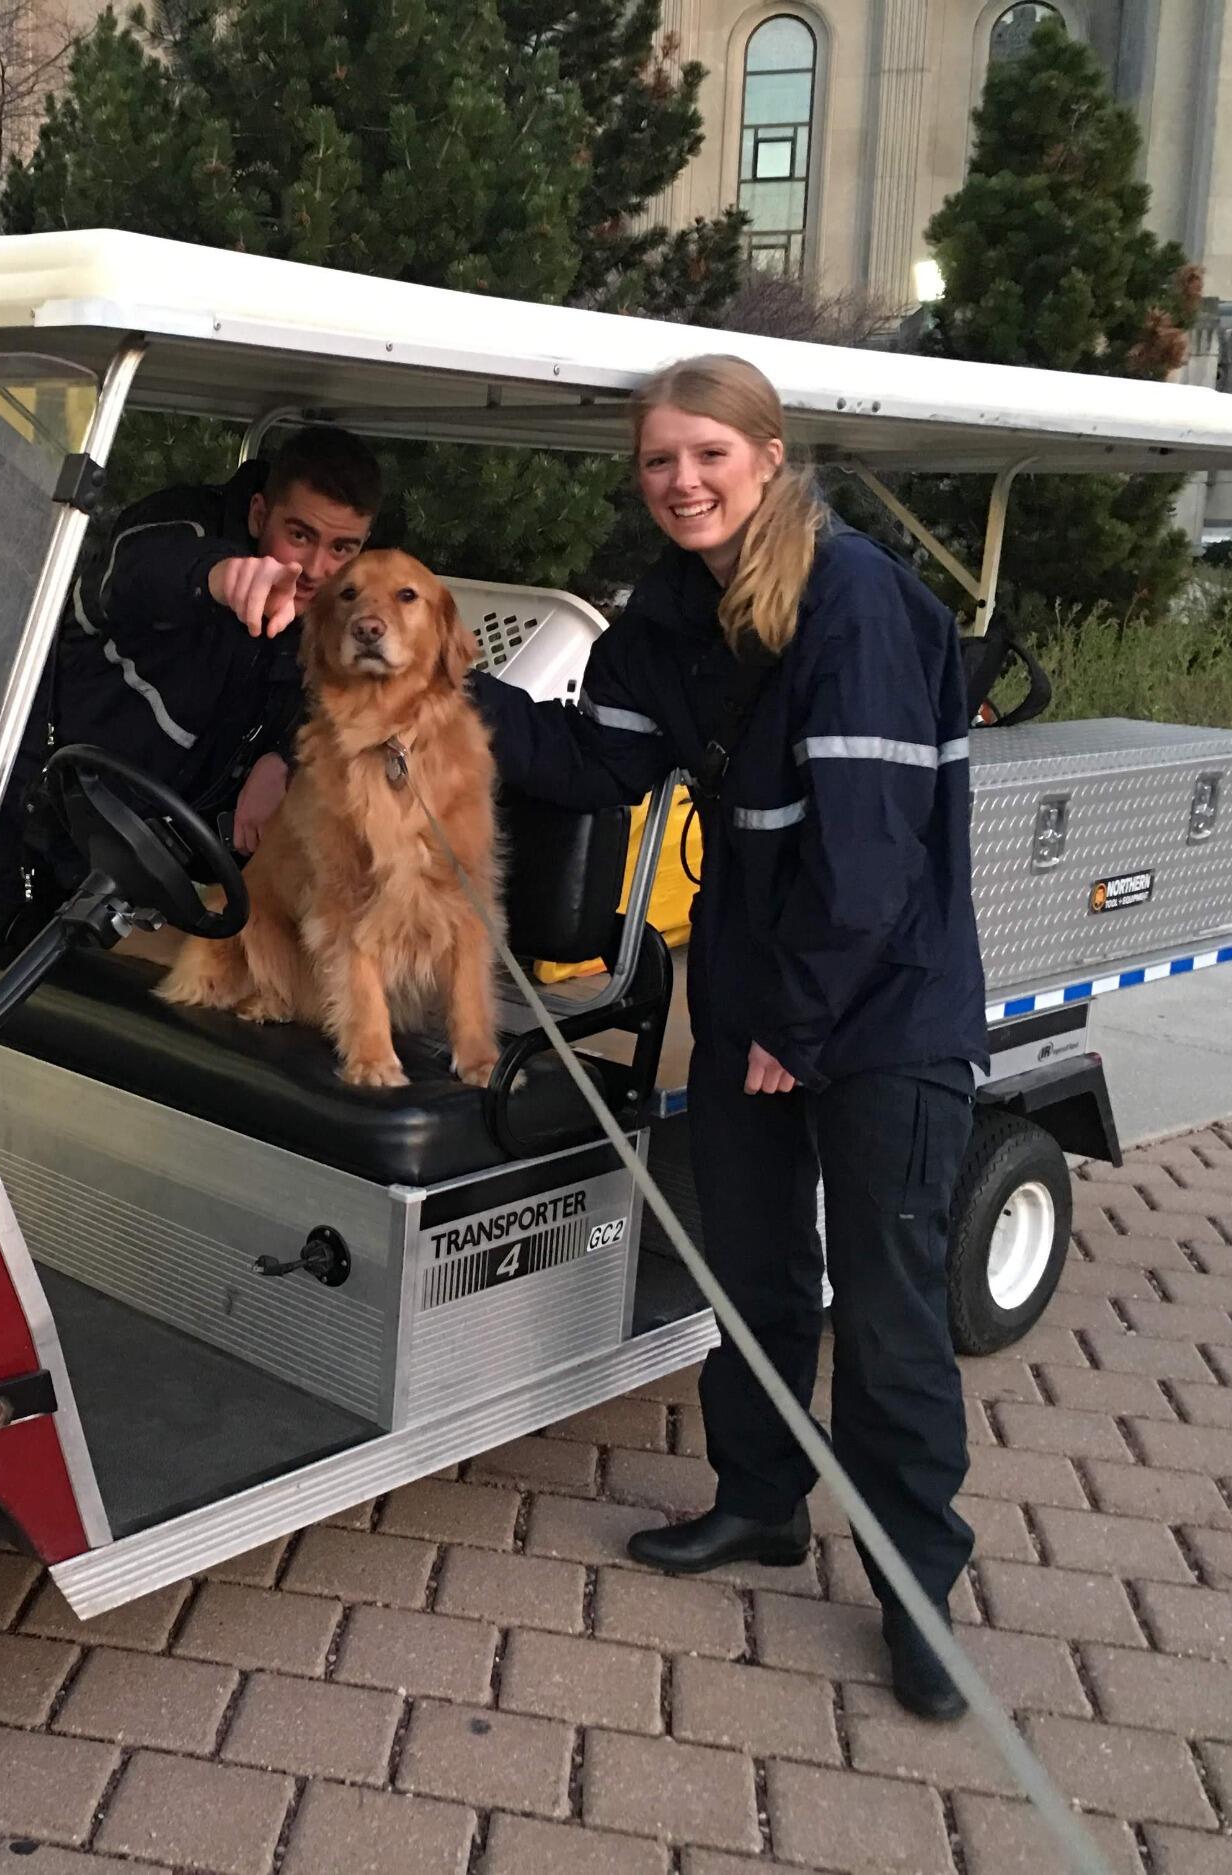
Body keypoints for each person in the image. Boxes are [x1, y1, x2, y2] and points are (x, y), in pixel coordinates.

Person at [471, 355, 987, 1721]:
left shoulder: (854, 599)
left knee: (887, 1315)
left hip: (880, 1015)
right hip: (760, 1002)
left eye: (707, 453)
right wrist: (435, 686)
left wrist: (795, 1027)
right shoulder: (666, 613)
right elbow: (594, 764)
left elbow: (869, 858)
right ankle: (761, 1501)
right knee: (752, 1274)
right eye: (659, 459)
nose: (682, 480)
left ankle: (918, 1590)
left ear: (767, 455)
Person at [0, 426, 383, 959]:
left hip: (138, 865)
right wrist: (222, 578)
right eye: (300, 535)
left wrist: (281, 758)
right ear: (259, 514)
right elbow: (138, 570)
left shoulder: (336, 612)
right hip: (27, 809)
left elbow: (335, 701)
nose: (315, 569)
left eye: (342, 548)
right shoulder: (182, 529)